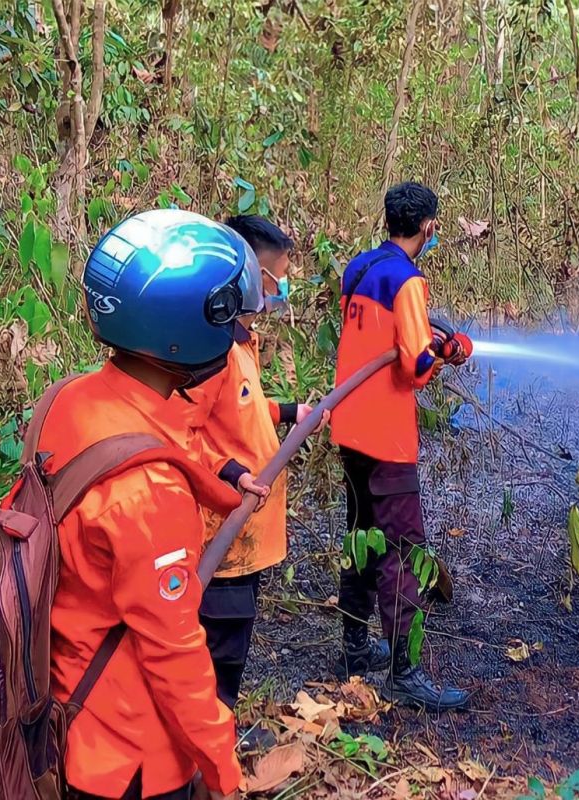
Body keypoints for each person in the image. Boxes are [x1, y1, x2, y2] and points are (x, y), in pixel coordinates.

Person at [42, 210, 246, 800]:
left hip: (64, 704)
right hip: (130, 755)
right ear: (187, 329)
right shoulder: (149, 492)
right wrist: (221, 769)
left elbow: (167, 430)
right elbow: (173, 653)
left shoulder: (68, 400)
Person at [177, 214, 327, 749]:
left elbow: (236, 412)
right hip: (221, 532)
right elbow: (182, 432)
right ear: (244, 274)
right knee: (217, 644)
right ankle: (208, 748)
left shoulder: (240, 342)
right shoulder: (208, 350)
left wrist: (290, 410)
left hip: (245, 529)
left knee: (233, 641)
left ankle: (219, 733)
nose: (280, 289)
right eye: (274, 279)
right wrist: (235, 473)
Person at [329, 182, 471, 711]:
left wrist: (425, 341)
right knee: (403, 551)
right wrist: (446, 351)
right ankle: (403, 671)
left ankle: (353, 649)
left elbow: (376, 341)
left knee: (360, 537)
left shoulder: (359, 269)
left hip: (350, 430)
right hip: (387, 437)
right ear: (427, 226)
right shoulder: (408, 281)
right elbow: (414, 368)